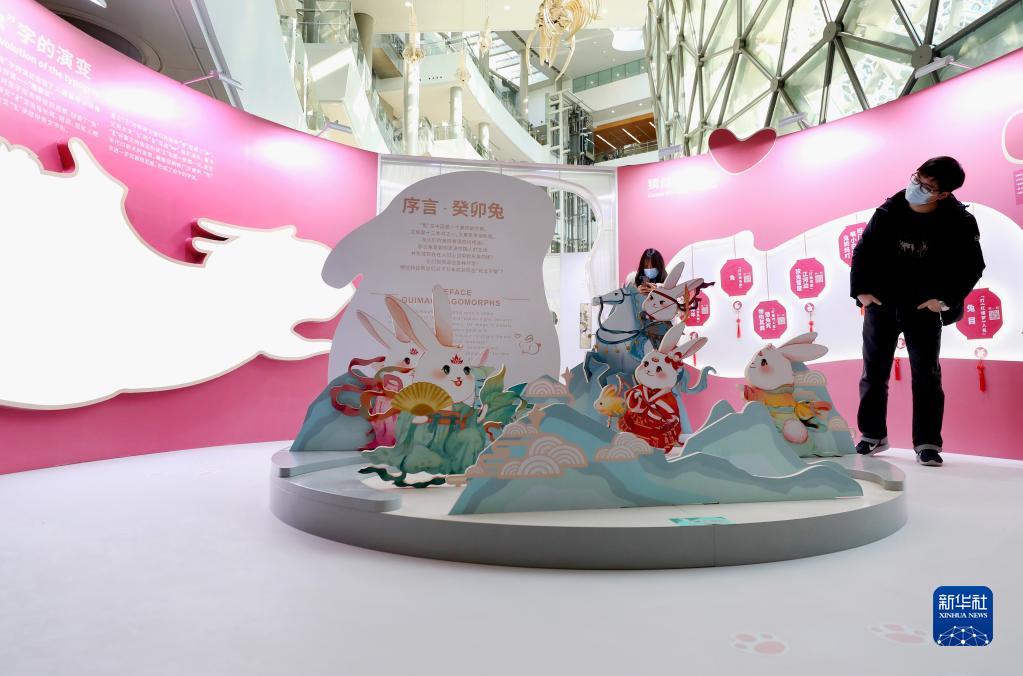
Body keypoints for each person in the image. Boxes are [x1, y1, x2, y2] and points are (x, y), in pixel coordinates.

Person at [850, 156, 985, 467]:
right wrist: (861, 291)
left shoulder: (960, 221)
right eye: (916, 179)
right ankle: (872, 435)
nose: (916, 187)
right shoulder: (888, 211)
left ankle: (927, 443)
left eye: (926, 186)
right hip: (881, 304)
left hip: (923, 308)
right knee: (873, 373)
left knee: (926, 376)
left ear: (943, 194)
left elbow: (973, 265)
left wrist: (945, 299)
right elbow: (863, 250)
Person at [628, 248, 671, 353]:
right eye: (646, 267)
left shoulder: (668, 284)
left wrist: (659, 292)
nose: (649, 269)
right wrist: (636, 293)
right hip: (640, 330)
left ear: (659, 266)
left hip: (662, 330)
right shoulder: (633, 283)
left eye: (652, 266)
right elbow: (628, 309)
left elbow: (675, 309)